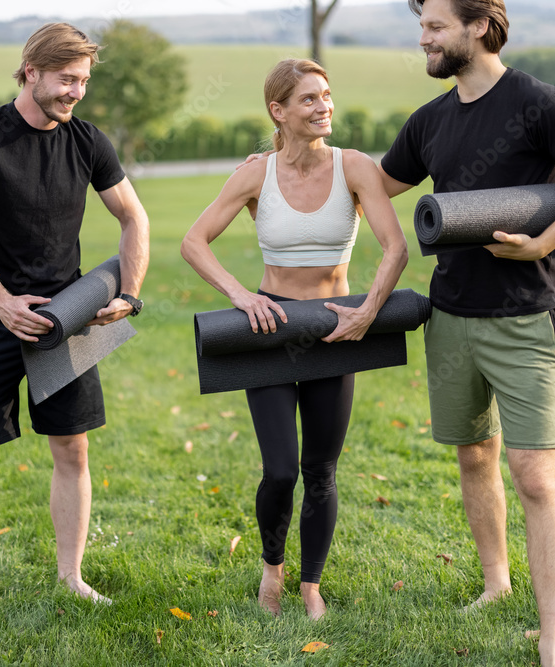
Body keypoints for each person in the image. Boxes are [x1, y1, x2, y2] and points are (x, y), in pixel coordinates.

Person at [378, 0, 555, 664]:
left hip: (522, 317)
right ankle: (495, 581)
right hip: (450, 317)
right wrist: (286, 166)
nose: (423, 37)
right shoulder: (428, 121)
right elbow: (375, 184)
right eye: (423, 26)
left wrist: (542, 239)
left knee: (535, 474)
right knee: (473, 456)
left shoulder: (538, 102)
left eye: (435, 25)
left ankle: (552, 635)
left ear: (478, 26)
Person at [182, 59, 409, 620]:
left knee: (322, 470)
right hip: (273, 329)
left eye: (327, 95)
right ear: (278, 112)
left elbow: (396, 246)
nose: (323, 106)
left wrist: (367, 313)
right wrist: (240, 295)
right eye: (308, 99)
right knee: (280, 469)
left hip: (338, 327)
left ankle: (310, 585)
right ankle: (271, 569)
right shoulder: (255, 174)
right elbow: (194, 241)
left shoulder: (354, 167)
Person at [0, 22, 149, 616]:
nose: (75, 92)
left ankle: (70, 575)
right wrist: (4, 301)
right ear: (30, 71)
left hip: (70, 318)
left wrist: (128, 295)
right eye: (66, 79)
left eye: (83, 81)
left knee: (73, 450)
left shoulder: (87, 141)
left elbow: (134, 218)